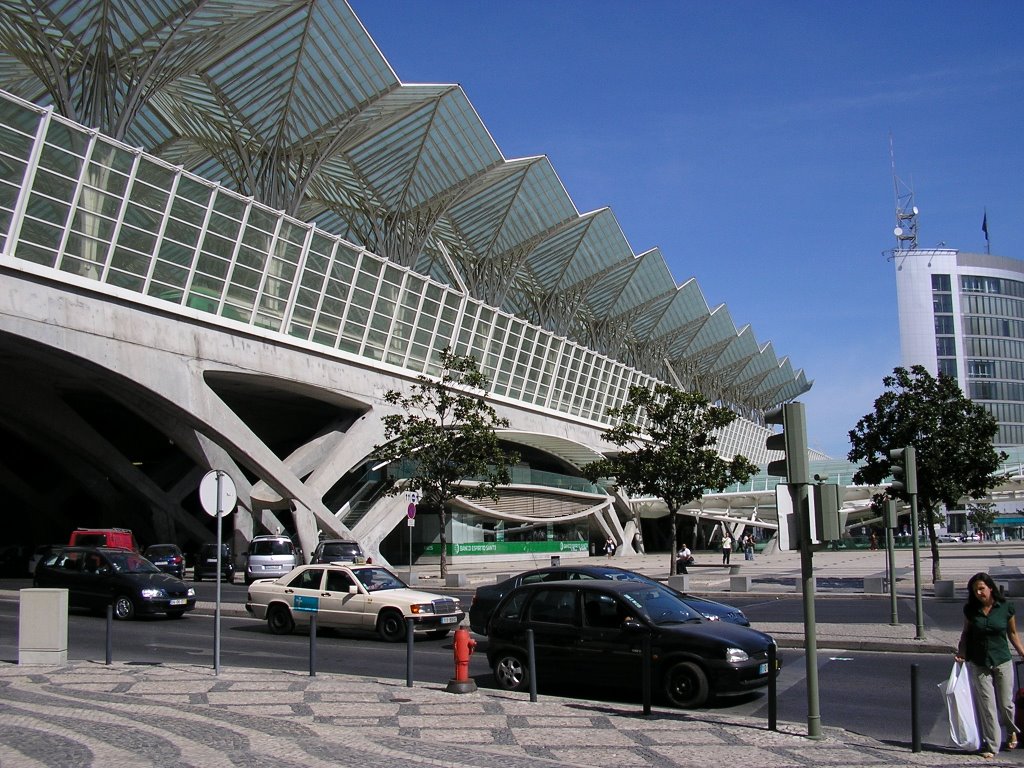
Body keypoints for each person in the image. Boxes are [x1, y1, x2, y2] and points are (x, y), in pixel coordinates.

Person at [955, 571, 1024, 758]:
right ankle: (992, 745)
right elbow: (966, 633)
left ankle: (1012, 732)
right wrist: (962, 651)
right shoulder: (970, 610)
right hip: (979, 661)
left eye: (981, 589)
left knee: (1006, 704)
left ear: (990, 588)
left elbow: (1012, 633)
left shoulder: (1005, 608)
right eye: (975, 590)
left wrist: (1022, 652)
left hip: (1001, 659)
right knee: (987, 705)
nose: (978, 593)